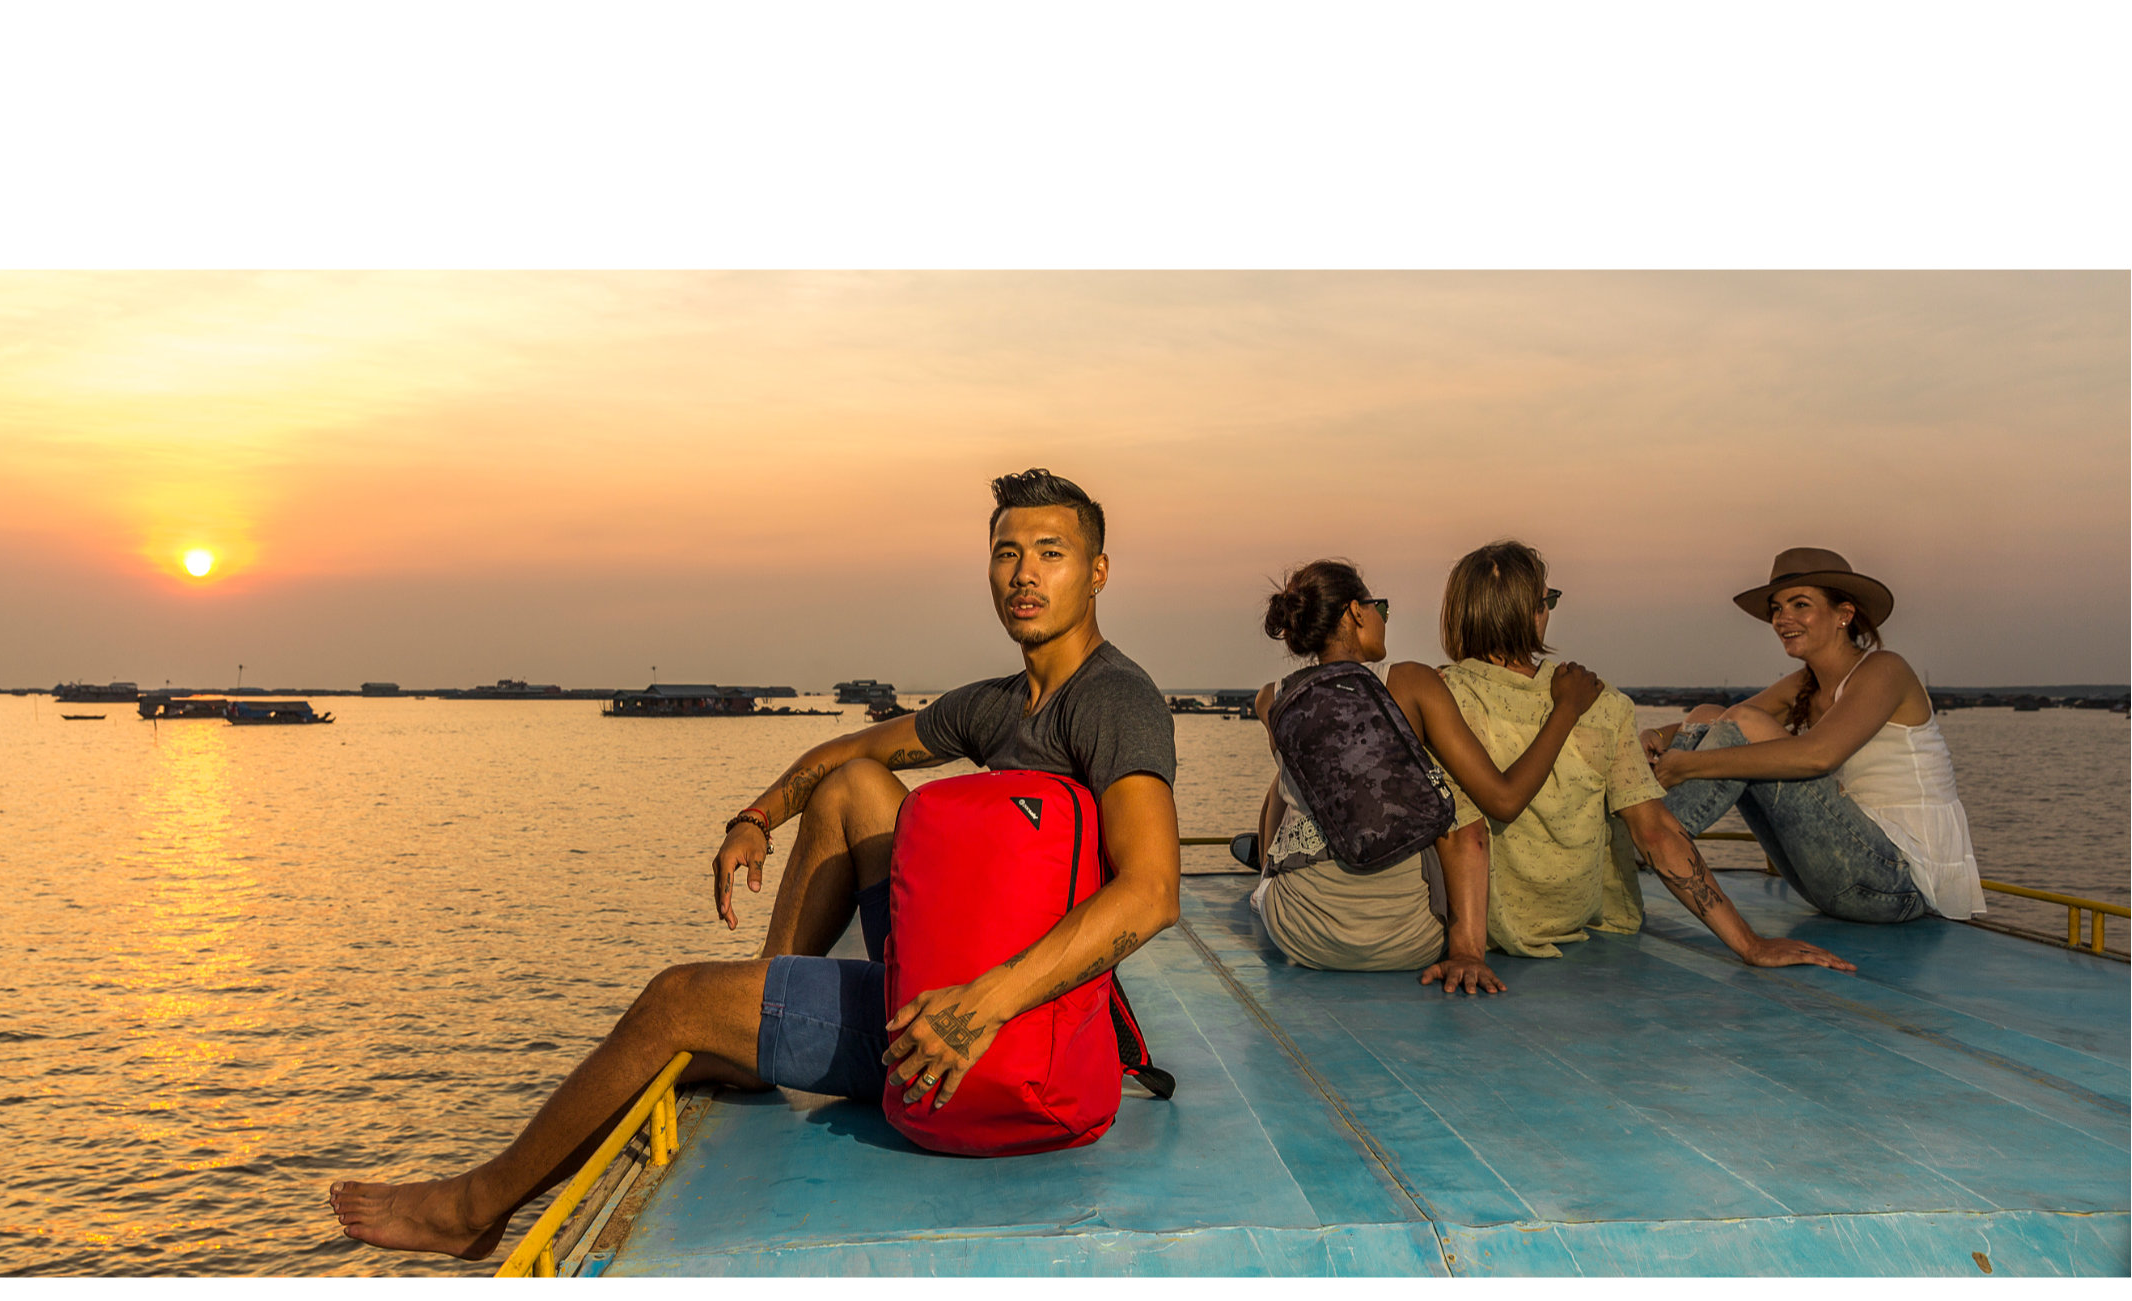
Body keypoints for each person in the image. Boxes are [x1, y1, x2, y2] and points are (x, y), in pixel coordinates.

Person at [328, 469, 1181, 1259]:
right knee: (851, 787)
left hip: (1000, 1031)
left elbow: (1151, 893)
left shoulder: (1113, 699)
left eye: (1051, 553)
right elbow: (847, 752)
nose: (1024, 574)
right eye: (1006, 553)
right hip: (954, 973)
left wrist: (979, 1006)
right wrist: (757, 817)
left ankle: (473, 1209)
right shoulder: (1001, 703)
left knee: (676, 1000)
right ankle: (766, 1009)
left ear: (1097, 572)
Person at [1438, 539, 1853, 971]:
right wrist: (1749, 944)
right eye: (1548, 600)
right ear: (1533, 611)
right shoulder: (1600, 701)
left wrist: (1466, 950)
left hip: (1478, 929)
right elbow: (1654, 831)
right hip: (1575, 920)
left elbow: (1465, 833)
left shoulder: (1444, 696)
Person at [1238, 559, 1606, 992]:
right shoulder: (1412, 682)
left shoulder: (1272, 699)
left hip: (1297, 931)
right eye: (1381, 609)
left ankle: (1261, 880)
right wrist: (1567, 708)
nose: (1384, 619)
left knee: (1289, 777)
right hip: (1409, 937)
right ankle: (1468, 948)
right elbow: (1504, 800)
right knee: (1449, 798)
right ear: (1356, 612)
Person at [1643, 547, 1984, 924]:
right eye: (1777, 608)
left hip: (1900, 883)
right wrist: (1657, 734)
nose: (1782, 618)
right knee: (1707, 714)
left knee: (1744, 722)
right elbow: (1715, 721)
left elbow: (1819, 756)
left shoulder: (1885, 669)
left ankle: (1643, 847)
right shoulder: (1804, 684)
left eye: (1800, 604)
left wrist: (1687, 765)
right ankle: (1644, 836)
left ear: (1844, 614)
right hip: (1834, 872)